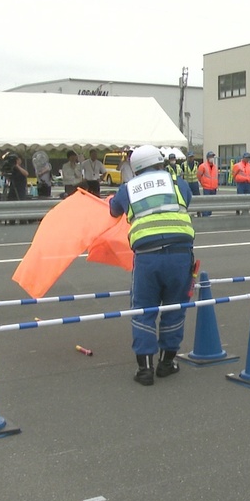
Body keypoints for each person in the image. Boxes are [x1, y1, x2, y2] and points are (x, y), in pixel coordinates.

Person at [108, 144, 195, 386]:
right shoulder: (177, 183)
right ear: (160, 164)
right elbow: (186, 201)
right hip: (180, 254)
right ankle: (167, 364)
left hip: (147, 257)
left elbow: (114, 210)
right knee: (175, 308)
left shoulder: (128, 189)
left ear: (136, 169)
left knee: (143, 310)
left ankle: (144, 370)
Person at [197, 151, 219, 217]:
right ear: (207, 158)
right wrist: (203, 183)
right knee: (206, 203)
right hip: (206, 188)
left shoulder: (215, 167)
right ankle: (205, 215)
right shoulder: (202, 166)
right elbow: (199, 176)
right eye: (210, 157)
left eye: (212, 157)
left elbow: (215, 176)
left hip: (213, 188)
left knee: (212, 203)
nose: (212, 158)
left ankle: (209, 215)